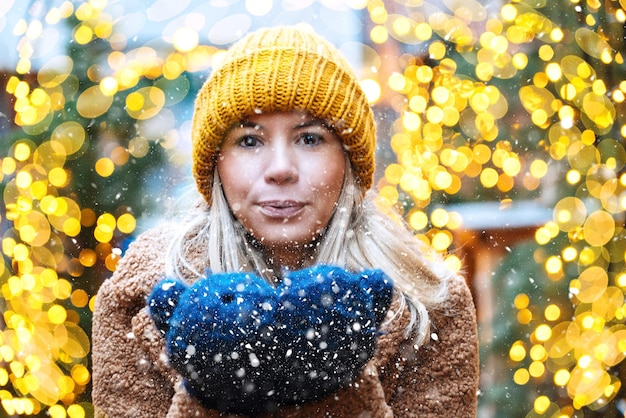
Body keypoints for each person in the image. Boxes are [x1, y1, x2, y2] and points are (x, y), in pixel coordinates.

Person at [91, 25, 479, 417]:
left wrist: (338, 384)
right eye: (249, 140)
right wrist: (214, 383)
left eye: (309, 138)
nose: (280, 169)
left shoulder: (429, 303)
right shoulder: (138, 297)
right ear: (216, 165)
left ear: (348, 160)